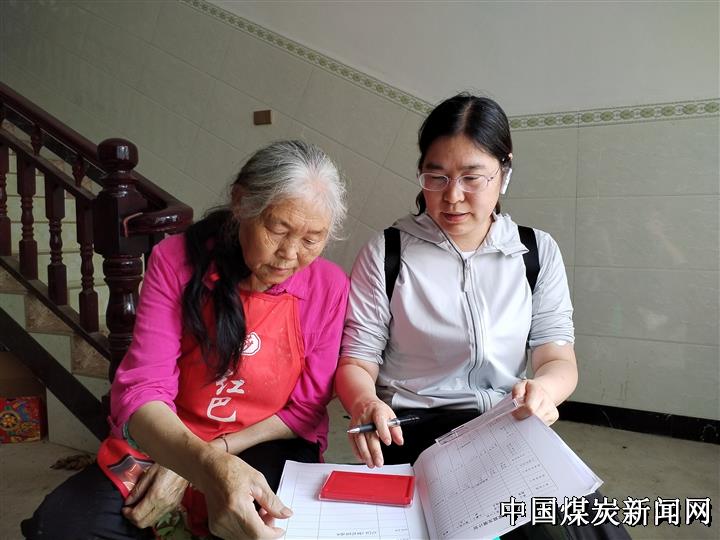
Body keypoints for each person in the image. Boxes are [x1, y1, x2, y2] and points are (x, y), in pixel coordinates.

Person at [335, 94, 629, 539]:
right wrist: (364, 401)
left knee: (589, 531)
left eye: (472, 177)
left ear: (504, 173)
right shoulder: (387, 252)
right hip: (412, 431)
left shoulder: (535, 252)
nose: (452, 197)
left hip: (504, 427)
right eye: (436, 177)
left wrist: (544, 392)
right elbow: (357, 360)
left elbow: (557, 358)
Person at [22, 140, 349, 540]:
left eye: (312, 239)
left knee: (262, 524)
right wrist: (190, 460)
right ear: (241, 203)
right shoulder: (175, 261)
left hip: (262, 440)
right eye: (277, 230)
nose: (290, 253)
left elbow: (304, 409)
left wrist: (210, 458)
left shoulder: (328, 287)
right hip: (169, 433)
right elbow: (143, 390)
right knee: (61, 527)